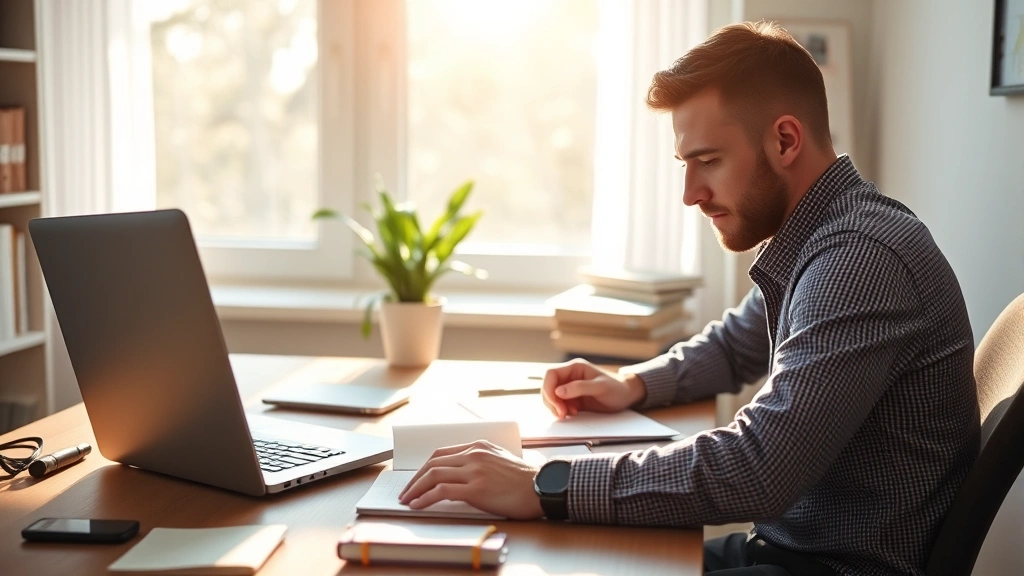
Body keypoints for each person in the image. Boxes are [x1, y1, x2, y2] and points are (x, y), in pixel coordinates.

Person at [398, 21, 978, 576]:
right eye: (685, 164)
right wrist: (634, 383)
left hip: (832, 568)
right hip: (792, 548)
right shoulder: (826, 236)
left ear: (784, 140)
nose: (689, 193)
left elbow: (760, 466)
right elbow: (736, 344)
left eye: (708, 161)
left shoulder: (859, 258)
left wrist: (544, 483)